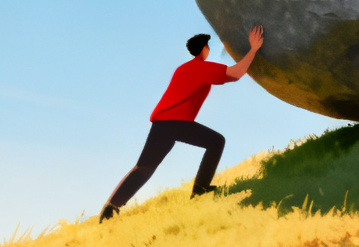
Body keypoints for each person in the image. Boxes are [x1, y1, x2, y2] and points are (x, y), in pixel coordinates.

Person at [98, 25, 264, 222]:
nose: (209, 49)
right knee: (216, 142)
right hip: (176, 122)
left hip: (161, 123)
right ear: (204, 49)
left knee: (144, 168)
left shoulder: (182, 69)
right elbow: (235, 73)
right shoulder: (201, 67)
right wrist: (253, 49)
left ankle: (110, 208)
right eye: (208, 46)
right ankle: (200, 190)